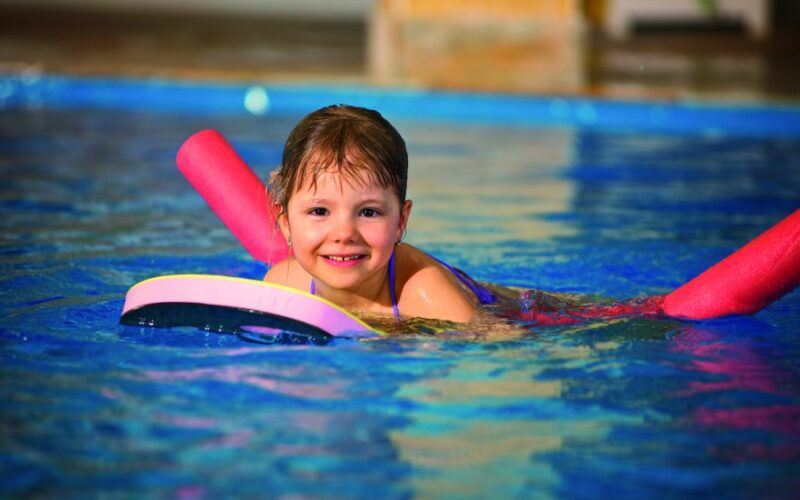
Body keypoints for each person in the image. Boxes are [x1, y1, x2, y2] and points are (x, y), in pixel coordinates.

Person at [263, 104, 496, 323]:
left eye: (368, 212)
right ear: (285, 223)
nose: (344, 233)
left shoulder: (426, 295)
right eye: (319, 211)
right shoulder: (283, 286)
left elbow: (498, 344)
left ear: (400, 222)